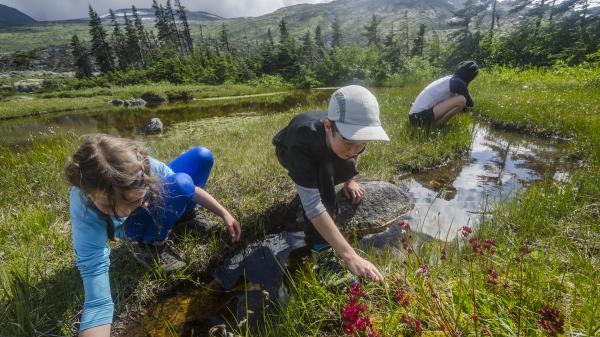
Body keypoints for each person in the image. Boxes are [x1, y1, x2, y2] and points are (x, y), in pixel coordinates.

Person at [65, 134, 241, 337]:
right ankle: (148, 243)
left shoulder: (139, 166)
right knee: (177, 185)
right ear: (90, 194)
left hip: (154, 191)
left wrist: (224, 213)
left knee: (200, 157)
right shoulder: (84, 212)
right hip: (134, 228)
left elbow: (189, 188)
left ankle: (186, 219)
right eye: (109, 207)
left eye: (135, 201)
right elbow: (97, 302)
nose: (127, 210)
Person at [272, 85, 389, 284]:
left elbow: (353, 147)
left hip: (327, 147)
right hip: (289, 151)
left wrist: (350, 180)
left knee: (344, 163)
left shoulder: (348, 137)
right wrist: (350, 255)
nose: (355, 150)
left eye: (361, 144)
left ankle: (332, 170)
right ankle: (321, 249)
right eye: (348, 142)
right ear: (328, 126)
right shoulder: (300, 142)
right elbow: (313, 206)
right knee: (324, 187)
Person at [409, 60, 479, 127]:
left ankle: (434, 124)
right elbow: (470, 103)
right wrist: (466, 87)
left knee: (456, 97)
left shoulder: (451, 79)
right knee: (462, 100)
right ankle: (437, 125)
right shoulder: (457, 82)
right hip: (418, 118)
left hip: (414, 117)